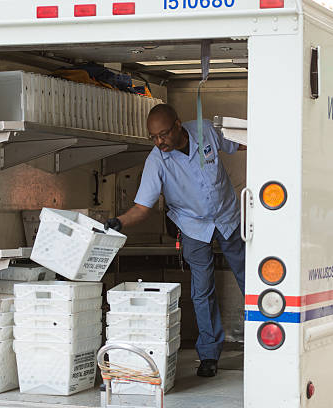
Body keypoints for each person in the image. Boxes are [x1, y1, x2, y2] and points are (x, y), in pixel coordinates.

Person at [104, 103, 246, 377]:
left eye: (164, 134)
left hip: (229, 217)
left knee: (250, 281)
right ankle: (208, 355)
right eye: (153, 137)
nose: (159, 142)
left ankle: (268, 342)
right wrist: (120, 221)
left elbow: (240, 143)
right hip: (193, 226)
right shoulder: (156, 161)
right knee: (202, 290)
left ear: (179, 125)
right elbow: (142, 208)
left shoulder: (205, 131)